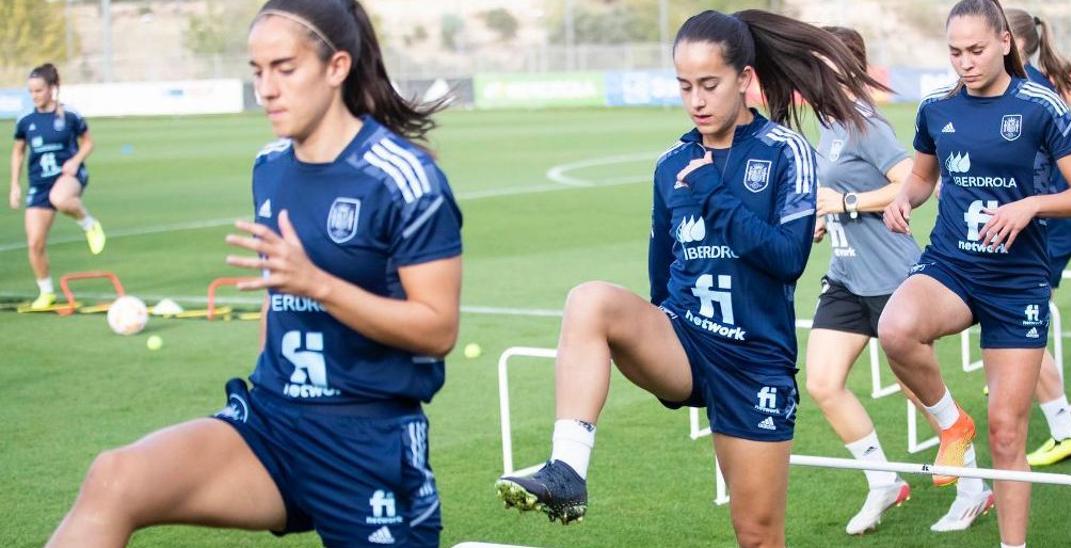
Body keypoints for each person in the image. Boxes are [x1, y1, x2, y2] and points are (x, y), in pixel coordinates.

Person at [47, 1, 462, 546]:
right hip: (272, 423)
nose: (266, 88)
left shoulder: (404, 178)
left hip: (366, 441)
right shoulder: (269, 166)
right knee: (115, 478)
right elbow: (277, 295)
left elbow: (438, 329)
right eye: (257, 71)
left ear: (336, 67)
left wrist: (318, 285)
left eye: (285, 69)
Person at [495, 9, 878, 546]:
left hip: (754, 363)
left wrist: (714, 198)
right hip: (685, 340)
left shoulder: (785, 152)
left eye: (709, 84)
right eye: (683, 86)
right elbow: (660, 266)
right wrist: (658, 331)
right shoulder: (670, 162)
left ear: (744, 81)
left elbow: (789, 258)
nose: (696, 100)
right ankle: (567, 470)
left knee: (757, 535)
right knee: (590, 301)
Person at [878, 0, 1071, 546]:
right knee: (894, 329)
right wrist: (902, 198)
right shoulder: (935, 108)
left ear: (1005, 42)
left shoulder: (1040, 106)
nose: (964, 62)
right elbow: (923, 179)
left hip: (1017, 281)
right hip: (952, 264)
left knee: (1008, 433)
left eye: (975, 50)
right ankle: (953, 425)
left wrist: (1030, 206)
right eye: (955, 52)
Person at [807, 25, 995, 536]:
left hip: (891, 275)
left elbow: (908, 181)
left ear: (838, 67)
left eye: (813, 63)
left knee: (917, 389)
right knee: (822, 382)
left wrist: (844, 202)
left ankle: (975, 487)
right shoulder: (828, 126)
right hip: (846, 277)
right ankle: (883, 481)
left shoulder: (865, 122)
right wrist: (825, 217)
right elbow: (837, 192)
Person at [1006, 7, 1071, 467]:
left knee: (1023, 330)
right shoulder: (1027, 86)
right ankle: (1025, 377)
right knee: (1018, 329)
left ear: (1013, 44)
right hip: (1043, 229)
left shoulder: (1033, 95)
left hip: (1048, 230)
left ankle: (1065, 431)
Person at [9, 63, 105, 310]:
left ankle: (89, 224)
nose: (34, 96)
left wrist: (75, 161)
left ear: (52, 89)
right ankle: (46, 292)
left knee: (60, 198)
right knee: (35, 243)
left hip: (69, 177)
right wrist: (14, 186)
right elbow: (18, 152)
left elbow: (88, 143)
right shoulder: (26, 120)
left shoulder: (69, 115)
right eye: (31, 91)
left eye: (39, 90)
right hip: (39, 183)